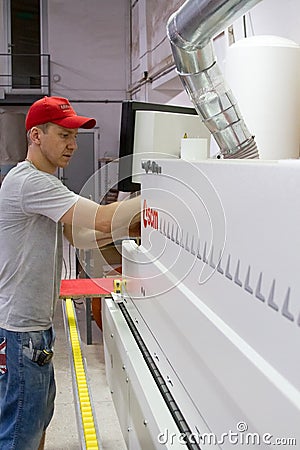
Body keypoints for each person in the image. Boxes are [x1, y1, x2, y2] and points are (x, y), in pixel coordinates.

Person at [0, 96, 141, 450]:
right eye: (64, 135)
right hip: (22, 331)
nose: (73, 145)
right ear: (36, 135)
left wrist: (129, 228)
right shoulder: (31, 182)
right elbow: (98, 218)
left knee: (35, 422)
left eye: (75, 137)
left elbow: (77, 233)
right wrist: (159, 198)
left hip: (34, 328)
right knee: (20, 434)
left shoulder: (44, 182)